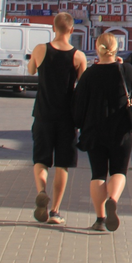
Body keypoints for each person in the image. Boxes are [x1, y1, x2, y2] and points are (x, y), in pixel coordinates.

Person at [73, 32, 132, 232]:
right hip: (121, 130)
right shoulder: (125, 70)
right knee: (119, 171)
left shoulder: (89, 74)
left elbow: (78, 103)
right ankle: (113, 199)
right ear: (116, 48)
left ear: (97, 48)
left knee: (98, 174)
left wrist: (79, 124)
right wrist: (122, 65)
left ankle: (100, 219)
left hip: (95, 130)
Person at [26, 12, 87, 226]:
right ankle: (55, 211)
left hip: (42, 114)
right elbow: (83, 85)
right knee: (62, 165)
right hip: (67, 119)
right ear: (71, 30)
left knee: (41, 159)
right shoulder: (78, 56)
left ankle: (42, 191)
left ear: (54, 28)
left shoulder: (40, 49)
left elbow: (32, 69)